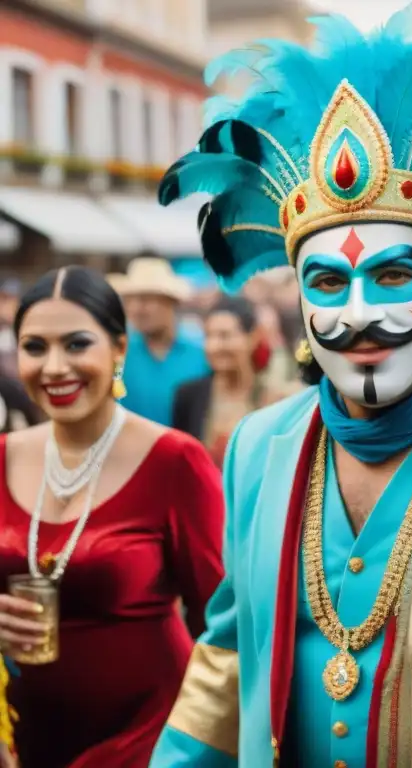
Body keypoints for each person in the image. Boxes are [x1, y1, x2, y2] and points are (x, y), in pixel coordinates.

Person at [149, 9, 412, 767]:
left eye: (395, 275)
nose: (359, 312)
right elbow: (229, 657)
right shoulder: (260, 447)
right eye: (329, 282)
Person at [0, 266, 224, 768]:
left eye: (77, 344)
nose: (55, 366)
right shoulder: (2, 456)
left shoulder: (175, 461)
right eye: (35, 347)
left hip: (149, 742)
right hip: (22, 742)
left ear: (119, 349)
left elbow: (223, 622)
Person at [173, 296, 267, 468]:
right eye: (209, 336)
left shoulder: (272, 398)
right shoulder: (189, 395)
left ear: (253, 338)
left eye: (225, 336)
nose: (214, 346)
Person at [118, 258, 209, 426]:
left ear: (171, 302)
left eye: (145, 300)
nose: (136, 309)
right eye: (130, 301)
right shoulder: (118, 353)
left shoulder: (202, 353)